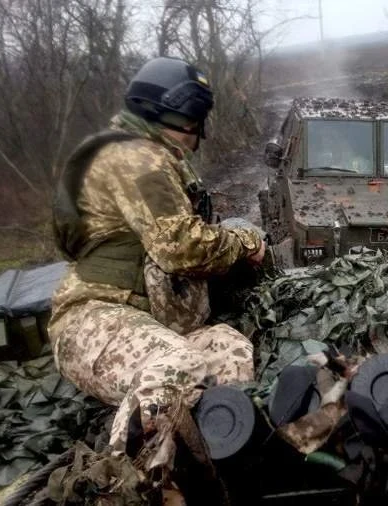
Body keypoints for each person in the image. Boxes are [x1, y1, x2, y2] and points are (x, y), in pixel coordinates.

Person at [48, 56, 265, 460]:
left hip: (148, 322)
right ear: (177, 115)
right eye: (193, 122)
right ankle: (123, 482)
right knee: (181, 362)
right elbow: (181, 247)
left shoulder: (145, 155)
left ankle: (217, 465)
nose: (196, 136)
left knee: (228, 348)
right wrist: (245, 242)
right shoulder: (136, 157)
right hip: (93, 317)